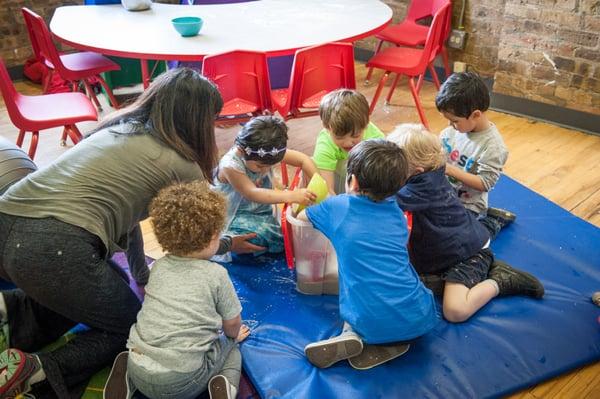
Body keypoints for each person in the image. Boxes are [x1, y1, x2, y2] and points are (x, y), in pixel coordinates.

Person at [0, 68, 225, 398]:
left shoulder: (118, 129)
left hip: (9, 219)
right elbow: (200, 234)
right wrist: (229, 242)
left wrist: (140, 276)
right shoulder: (182, 164)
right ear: (199, 121)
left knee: (111, 287)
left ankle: (11, 310)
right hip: (52, 248)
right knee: (134, 329)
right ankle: (41, 370)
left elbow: (129, 221)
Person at [297, 139, 438, 370]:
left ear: (352, 181)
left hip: (369, 321)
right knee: (394, 285)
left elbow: (301, 217)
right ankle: (385, 339)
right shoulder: (397, 214)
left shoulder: (338, 207)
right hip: (419, 316)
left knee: (360, 301)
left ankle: (353, 334)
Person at [103, 182, 249, 399]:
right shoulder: (216, 274)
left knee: (148, 357)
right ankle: (225, 385)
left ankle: (128, 376)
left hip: (138, 361)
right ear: (212, 238)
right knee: (233, 348)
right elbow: (232, 324)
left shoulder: (159, 266)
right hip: (181, 383)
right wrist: (231, 338)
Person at [388, 124, 544, 323]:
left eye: (394, 168)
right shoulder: (429, 172)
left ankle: (500, 280)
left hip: (467, 255)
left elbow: (387, 198)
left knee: (455, 311)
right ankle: (492, 222)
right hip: (452, 237)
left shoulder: (424, 186)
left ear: (417, 171)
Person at [213, 115, 318, 254]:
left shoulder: (266, 152)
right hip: (232, 216)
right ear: (242, 151)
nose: (265, 170)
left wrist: (320, 183)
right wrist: (291, 195)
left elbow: (304, 159)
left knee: (279, 234)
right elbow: (251, 193)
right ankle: (228, 244)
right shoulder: (230, 165)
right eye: (260, 166)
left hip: (261, 213)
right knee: (255, 237)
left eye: (270, 165)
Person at [435, 72, 516, 239]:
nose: (450, 125)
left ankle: (491, 223)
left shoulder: (493, 147)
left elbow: (485, 183)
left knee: (458, 239)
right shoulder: (452, 131)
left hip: (468, 205)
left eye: (455, 121)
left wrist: (450, 170)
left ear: (476, 115)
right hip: (445, 196)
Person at [312, 89, 385, 195]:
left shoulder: (375, 138)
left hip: (364, 181)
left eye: (355, 136)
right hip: (337, 179)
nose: (347, 143)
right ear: (327, 128)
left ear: (366, 126)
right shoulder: (325, 144)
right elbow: (327, 191)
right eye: (339, 137)